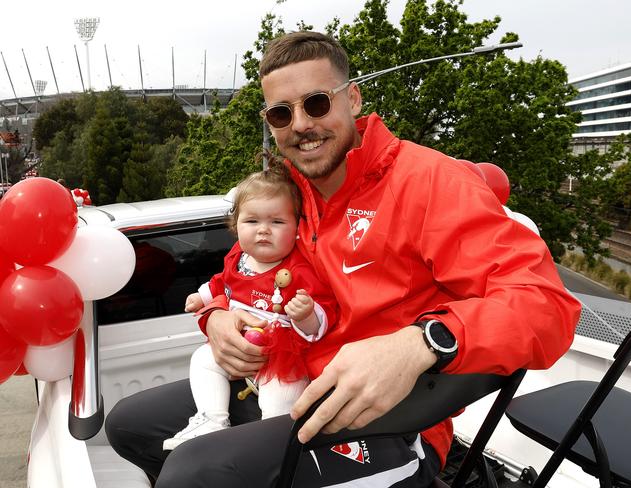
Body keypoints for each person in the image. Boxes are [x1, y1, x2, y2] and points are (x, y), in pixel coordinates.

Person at [106, 31, 581, 487]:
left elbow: (545, 306)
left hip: (389, 421)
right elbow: (241, 272)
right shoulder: (291, 195)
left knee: (195, 472)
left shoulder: (430, 181)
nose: (300, 125)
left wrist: (422, 343)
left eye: (316, 103)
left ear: (352, 99)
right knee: (129, 424)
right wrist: (214, 318)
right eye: (279, 113)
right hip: (288, 378)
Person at [162, 167, 337, 450]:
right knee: (203, 360)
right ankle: (211, 419)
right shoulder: (238, 257)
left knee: (281, 398)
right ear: (236, 225)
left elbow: (322, 321)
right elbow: (222, 282)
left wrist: (306, 315)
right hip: (239, 346)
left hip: (280, 358)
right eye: (252, 220)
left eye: (277, 221)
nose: (263, 229)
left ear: (297, 228)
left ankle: (274, 444)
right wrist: (203, 296)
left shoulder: (300, 270)